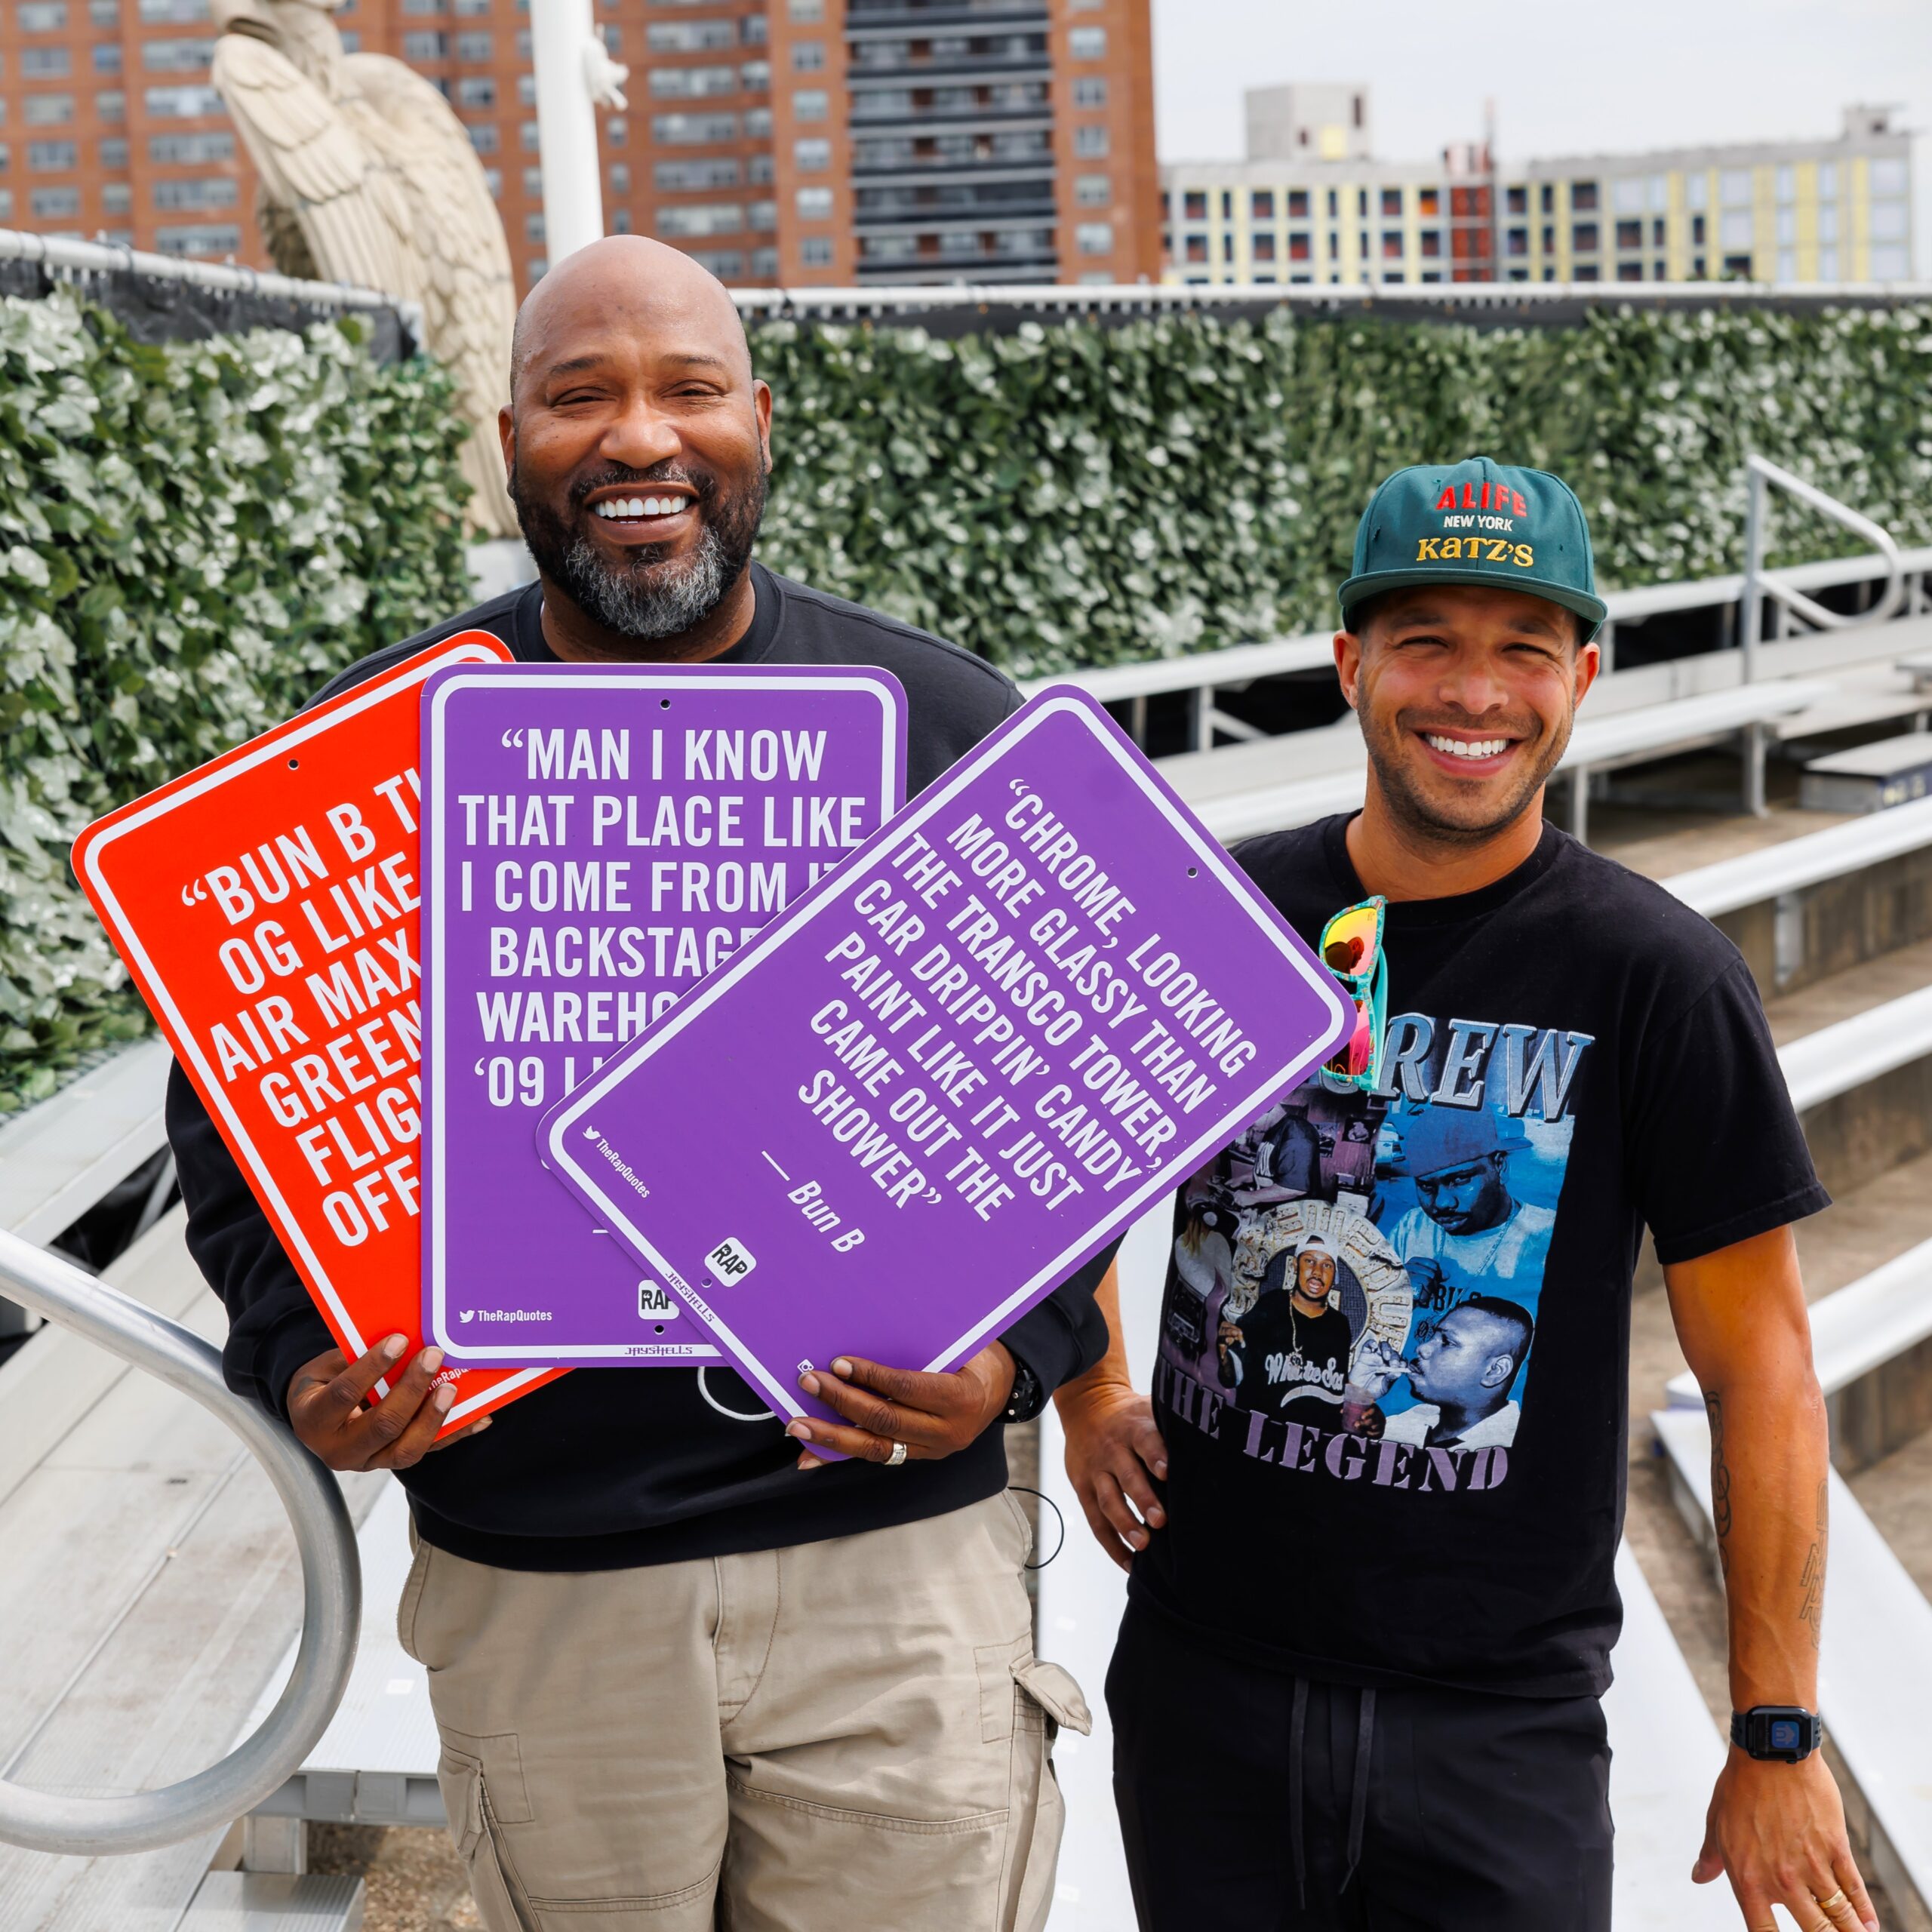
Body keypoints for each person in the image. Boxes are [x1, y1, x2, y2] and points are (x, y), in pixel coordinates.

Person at [168, 235, 1108, 1932]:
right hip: (547, 1583)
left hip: (888, 1570)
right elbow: (237, 1122)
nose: (639, 438)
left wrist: (1020, 1355)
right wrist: (302, 1356)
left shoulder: (931, 721)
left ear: (759, 418)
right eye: (577, 395)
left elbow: (1088, 1098)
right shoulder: (367, 753)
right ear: (506, 433)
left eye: (686, 389)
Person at [1057, 457, 1876, 1932]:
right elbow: (1039, 1171)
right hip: (1204, 1691)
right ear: (1348, 662)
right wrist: (1091, 1385)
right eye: (1425, 638)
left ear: (1581, 674)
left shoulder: (1654, 979)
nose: (1471, 690)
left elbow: (1761, 1367)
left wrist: (1772, 1729)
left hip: (1495, 1732)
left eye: (1518, 648)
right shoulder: (1221, 917)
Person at [1383, 1105, 1553, 1331]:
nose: (1442, 1203)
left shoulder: (1549, 1236)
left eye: (1460, 1180)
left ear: (1500, 1167)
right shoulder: (1412, 1226)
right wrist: (1391, 1295)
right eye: (1426, 1186)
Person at [1352, 1295, 1534, 1448]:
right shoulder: (1409, 1422)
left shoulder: (1515, 1446)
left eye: (1447, 1342)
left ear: (1495, 1370)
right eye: (1433, 1337)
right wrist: (1358, 1394)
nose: (1422, 1349)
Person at [1217, 1232, 1354, 1423]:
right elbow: (1232, 1375)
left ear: (1334, 1275)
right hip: (1257, 1432)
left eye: (1327, 1265)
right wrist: (1225, 1358)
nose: (1317, 1272)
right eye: (1310, 1261)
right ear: (1296, 1266)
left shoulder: (1340, 1325)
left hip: (1310, 1442)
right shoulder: (1271, 1304)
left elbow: (1338, 1389)